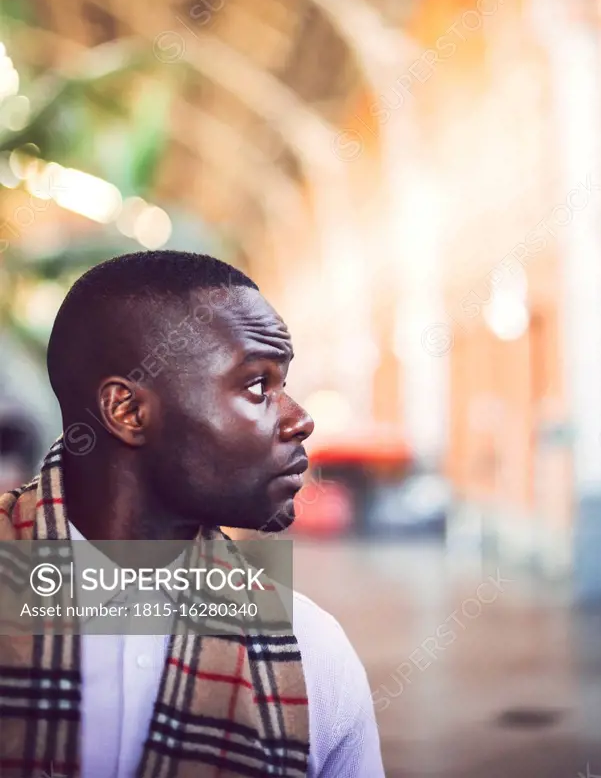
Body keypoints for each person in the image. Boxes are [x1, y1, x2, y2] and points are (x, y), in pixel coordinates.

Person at [0, 250, 385, 778]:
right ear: (128, 411)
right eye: (258, 385)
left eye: (284, 383)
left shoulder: (312, 656)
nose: (301, 419)